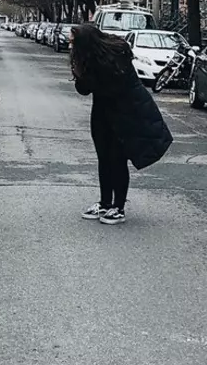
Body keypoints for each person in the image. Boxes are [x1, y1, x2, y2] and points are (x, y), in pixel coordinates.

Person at [70, 22, 173, 224]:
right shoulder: (88, 59)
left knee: (117, 158)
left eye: (73, 41)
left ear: (86, 43)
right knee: (103, 158)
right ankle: (104, 203)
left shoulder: (115, 59)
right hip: (102, 111)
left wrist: (85, 71)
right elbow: (83, 89)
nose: (70, 43)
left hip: (126, 112)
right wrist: (79, 67)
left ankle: (118, 207)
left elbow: (109, 88)